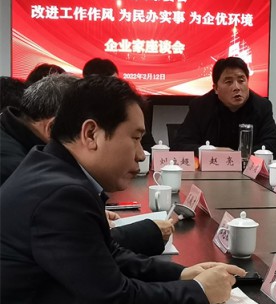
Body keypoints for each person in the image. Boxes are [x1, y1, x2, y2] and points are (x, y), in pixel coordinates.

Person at [0, 76, 246, 304]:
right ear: (91, 134)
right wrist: (199, 291)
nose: (141, 154)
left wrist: (182, 274)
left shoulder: (52, 170)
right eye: (135, 138)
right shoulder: (61, 194)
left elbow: (106, 254)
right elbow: (118, 302)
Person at [0, 74, 171, 256]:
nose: (141, 155)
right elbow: (72, 247)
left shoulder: (27, 151)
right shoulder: (15, 166)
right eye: (135, 138)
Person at [173, 56, 276, 156]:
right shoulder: (200, 107)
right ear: (216, 88)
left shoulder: (262, 106)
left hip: (248, 168)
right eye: (229, 82)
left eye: (241, 80)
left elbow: (274, 145)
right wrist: (213, 152)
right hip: (210, 168)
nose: (236, 87)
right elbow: (180, 145)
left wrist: (238, 156)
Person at [82, 57, 156, 150]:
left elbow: (149, 146)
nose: (116, 88)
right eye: (110, 84)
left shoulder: (130, 110)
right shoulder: (77, 112)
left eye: (117, 82)